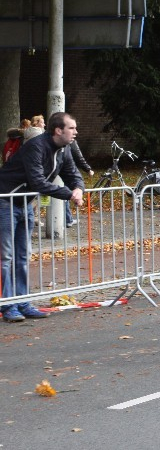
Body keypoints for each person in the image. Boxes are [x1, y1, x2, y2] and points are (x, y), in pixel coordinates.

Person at [0, 112, 85, 323]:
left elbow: (73, 174)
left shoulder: (64, 149)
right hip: (5, 201)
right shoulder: (36, 147)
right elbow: (38, 181)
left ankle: (23, 302)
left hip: (25, 203)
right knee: (6, 257)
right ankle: (8, 305)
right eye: (72, 128)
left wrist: (78, 188)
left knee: (23, 256)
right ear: (58, 130)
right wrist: (69, 194)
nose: (76, 132)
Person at [65, 140, 94, 227]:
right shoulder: (70, 140)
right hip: (66, 173)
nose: (75, 133)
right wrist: (88, 169)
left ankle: (66, 219)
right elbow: (78, 155)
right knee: (64, 196)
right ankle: (67, 219)